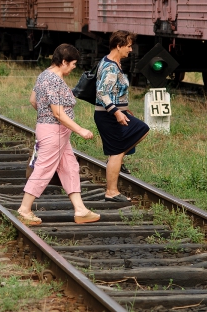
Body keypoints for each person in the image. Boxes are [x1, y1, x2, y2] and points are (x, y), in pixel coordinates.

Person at [16, 44, 100, 226]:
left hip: (55, 131)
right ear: (63, 62)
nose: (74, 67)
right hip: (54, 131)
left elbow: (33, 100)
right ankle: (24, 209)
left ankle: (80, 209)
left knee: (70, 167)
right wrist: (80, 130)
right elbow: (58, 113)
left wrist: (44, 114)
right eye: (73, 64)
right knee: (44, 168)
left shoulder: (44, 75)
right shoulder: (54, 80)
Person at [94, 31, 150, 202]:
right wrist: (117, 112)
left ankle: (116, 162)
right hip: (109, 116)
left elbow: (114, 91)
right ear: (118, 46)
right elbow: (102, 92)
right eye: (128, 46)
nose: (131, 49)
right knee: (126, 143)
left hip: (112, 114)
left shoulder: (112, 62)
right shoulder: (111, 67)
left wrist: (124, 109)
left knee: (134, 136)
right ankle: (111, 192)